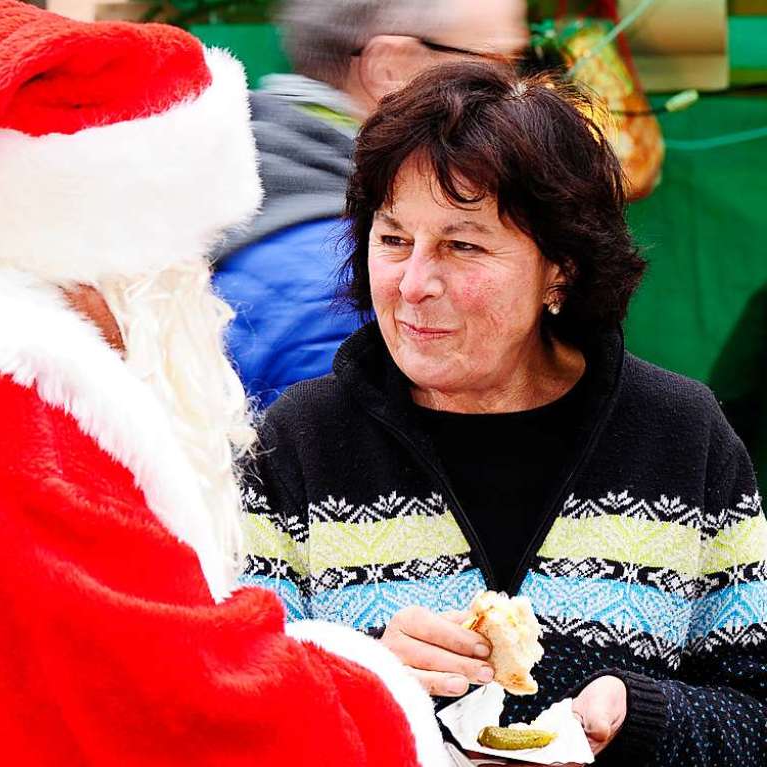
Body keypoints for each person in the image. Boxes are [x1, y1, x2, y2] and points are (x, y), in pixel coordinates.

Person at [0, 2, 451, 764]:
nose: (202, 301)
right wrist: (379, 694)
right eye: (181, 264)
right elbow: (160, 705)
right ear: (109, 267)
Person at [241, 61, 767, 767]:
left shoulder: (681, 434)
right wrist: (362, 675)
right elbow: (232, 714)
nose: (414, 284)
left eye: (461, 245)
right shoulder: (297, 441)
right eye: (394, 239)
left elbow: (757, 710)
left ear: (562, 268)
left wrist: (639, 714)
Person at [212, 0, 528, 407]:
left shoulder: (251, 181)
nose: (518, 89)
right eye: (495, 63)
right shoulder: (349, 281)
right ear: (391, 68)